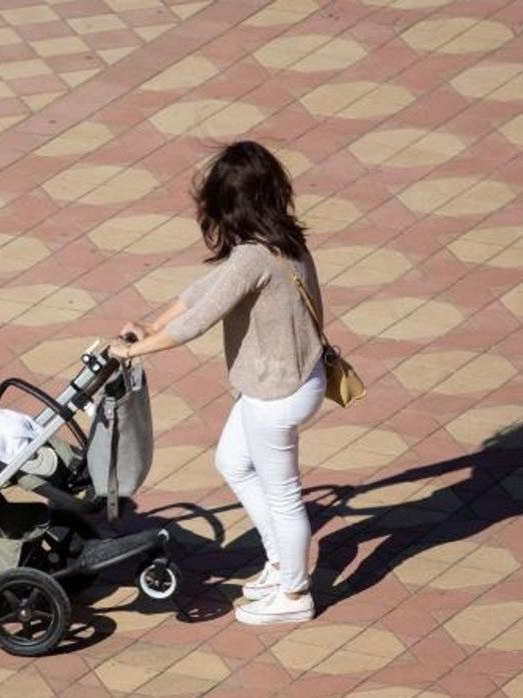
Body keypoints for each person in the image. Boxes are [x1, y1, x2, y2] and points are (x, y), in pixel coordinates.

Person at [108, 141, 326, 626]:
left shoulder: (253, 257)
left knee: (284, 494)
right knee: (232, 461)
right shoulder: (282, 240)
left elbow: (197, 322)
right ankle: (279, 565)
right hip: (292, 381)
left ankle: (294, 594)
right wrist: (149, 323)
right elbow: (203, 291)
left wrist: (133, 350)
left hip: (276, 394)